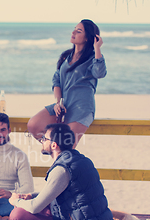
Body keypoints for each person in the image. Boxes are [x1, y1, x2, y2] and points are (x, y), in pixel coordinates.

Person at [8, 123, 115, 220]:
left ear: (54, 145)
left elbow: (34, 207)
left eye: (44, 139)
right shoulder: (81, 160)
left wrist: (15, 201)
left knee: (17, 215)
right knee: (39, 206)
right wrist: (31, 196)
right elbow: (62, 192)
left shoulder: (62, 169)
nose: (42, 141)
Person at [27, 19, 106, 148]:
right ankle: (51, 147)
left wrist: (97, 48)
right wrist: (58, 103)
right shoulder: (66, 57)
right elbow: (56, 79)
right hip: (63, 107)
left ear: (87, 38)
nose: (73, 32)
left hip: (82, 109)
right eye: (74, 28)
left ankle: (58, 154)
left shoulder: (93, 58)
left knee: (66, 148)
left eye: (78, 31)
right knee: (33, 125)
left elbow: (99, 73)